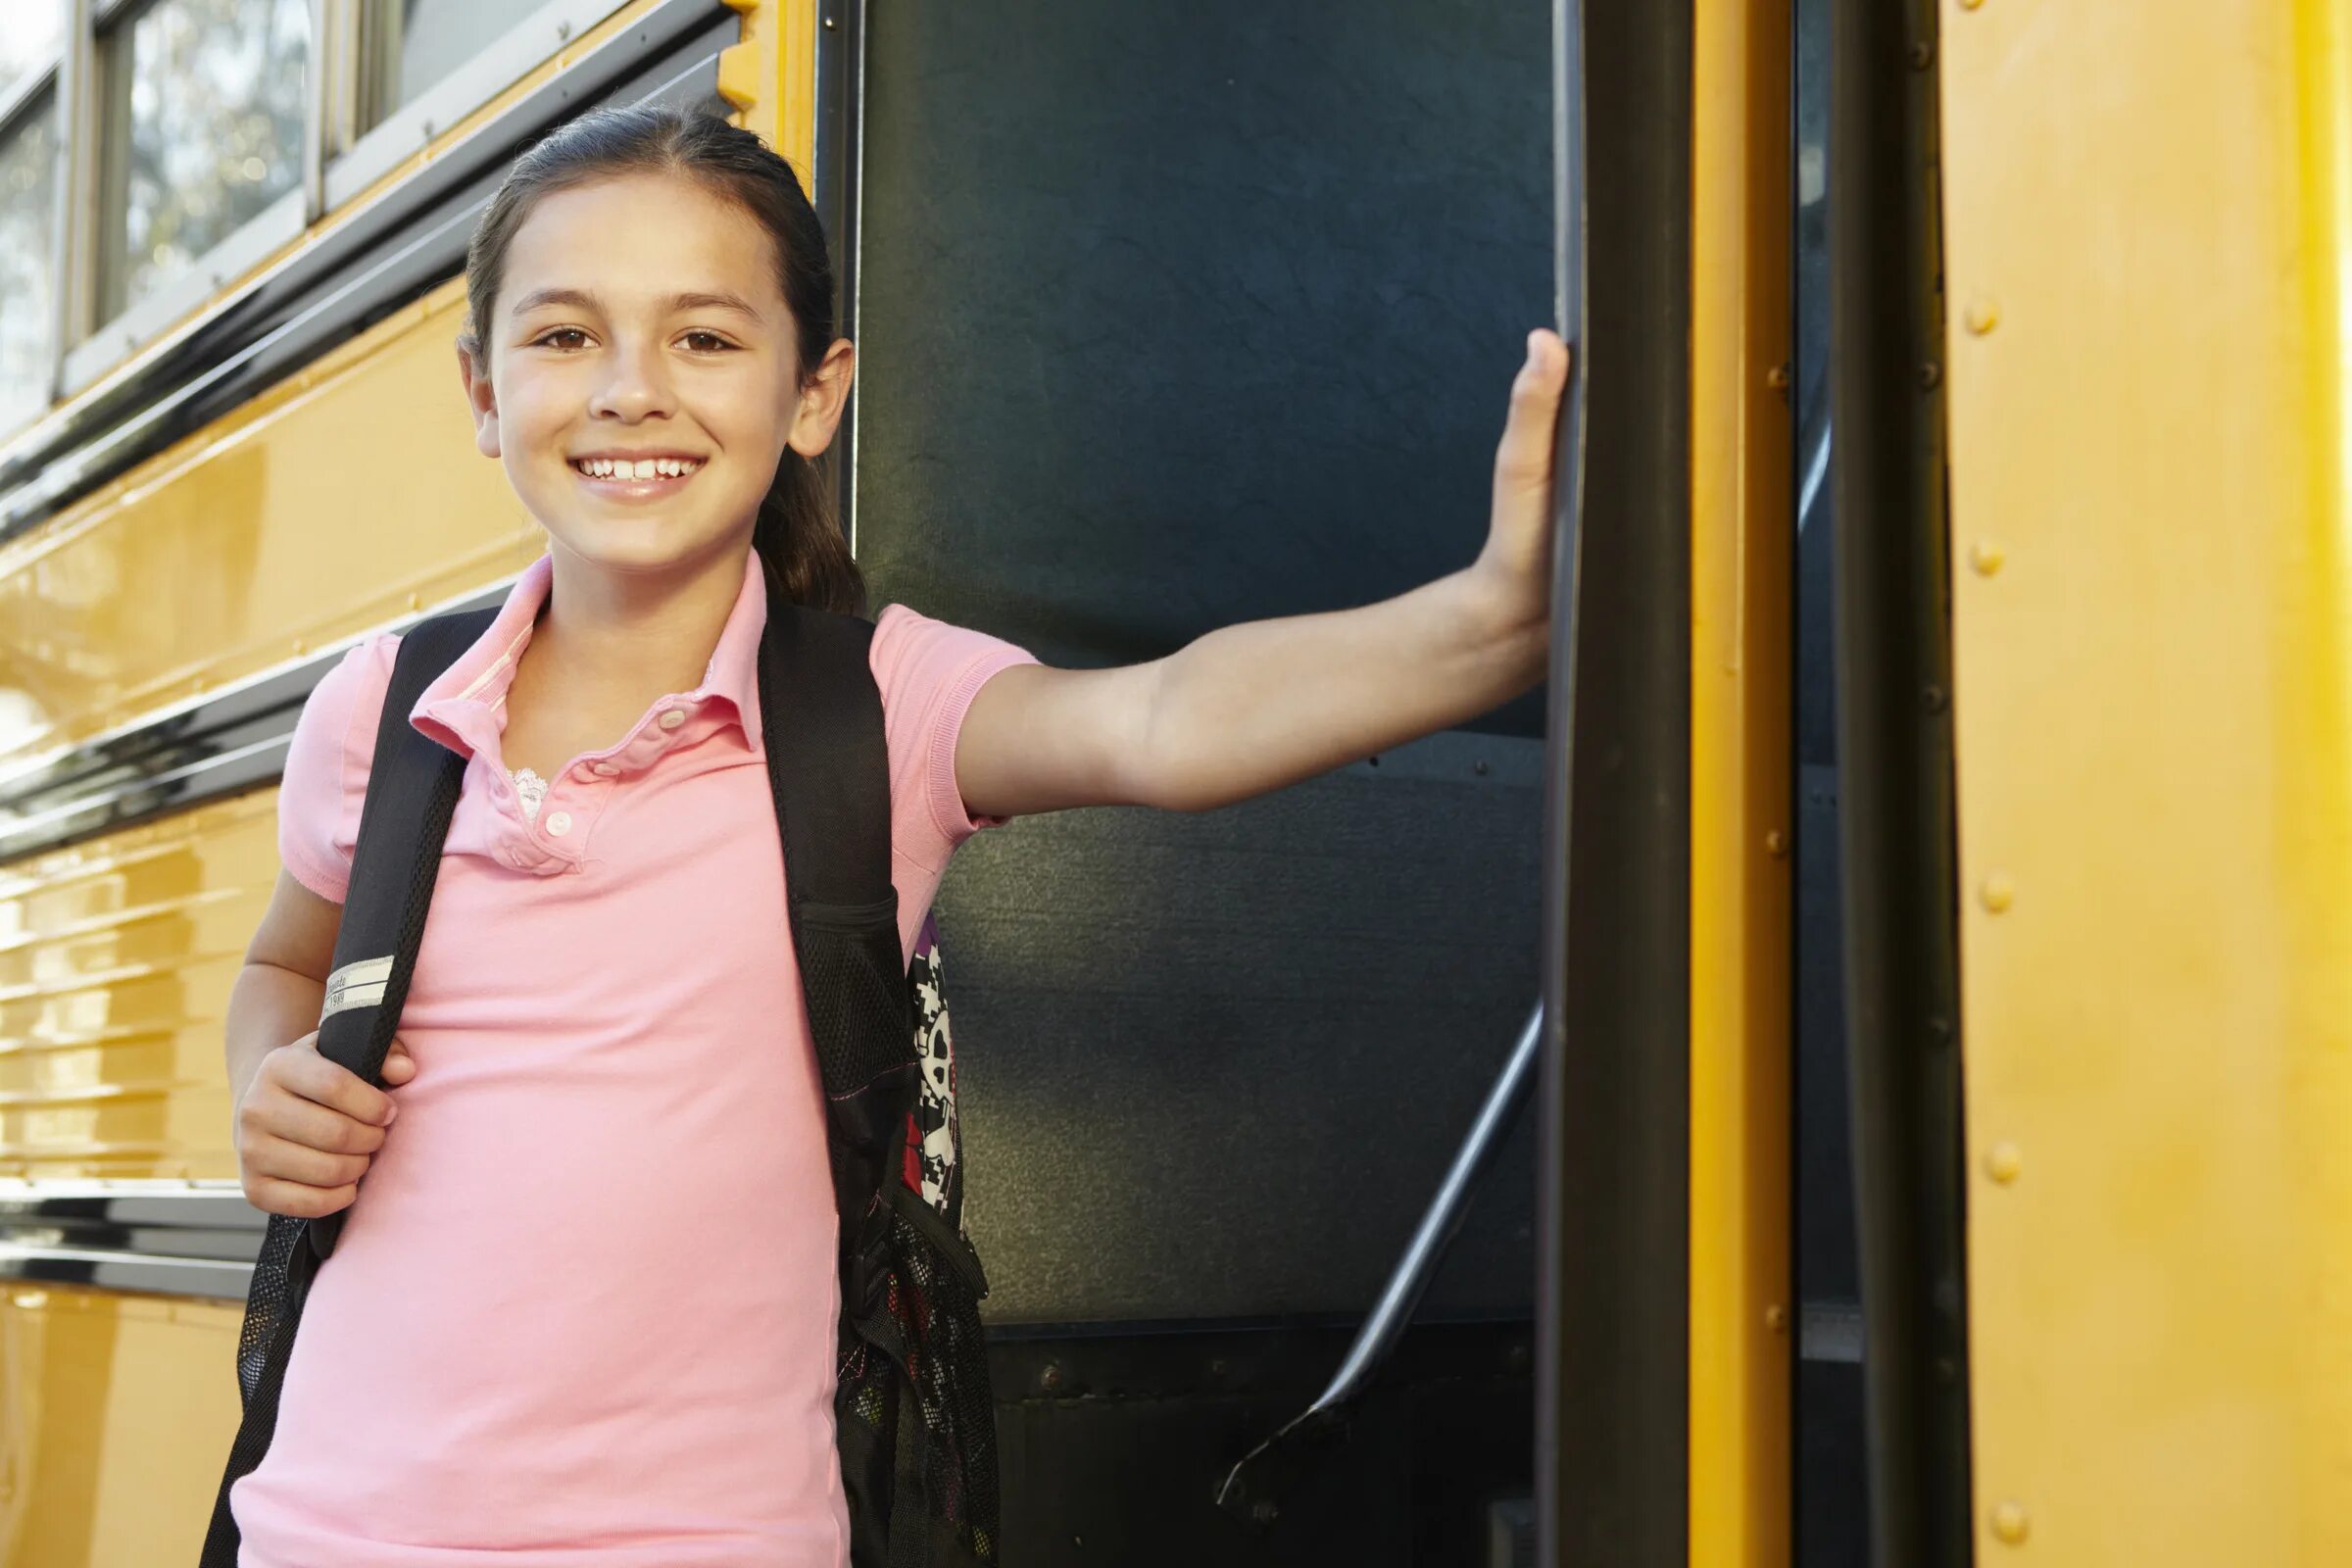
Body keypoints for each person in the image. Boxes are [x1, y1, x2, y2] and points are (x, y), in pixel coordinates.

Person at [220, 104, 1566, 1566]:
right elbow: (285, 965)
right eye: (563, 337)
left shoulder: (880, 706)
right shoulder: (388, 708)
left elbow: (1167, 721)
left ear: (815, 391)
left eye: (707, 340)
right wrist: (268, 1087)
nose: (630, 390)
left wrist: (1490, 623)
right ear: (482, 392)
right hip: (324, 1532)